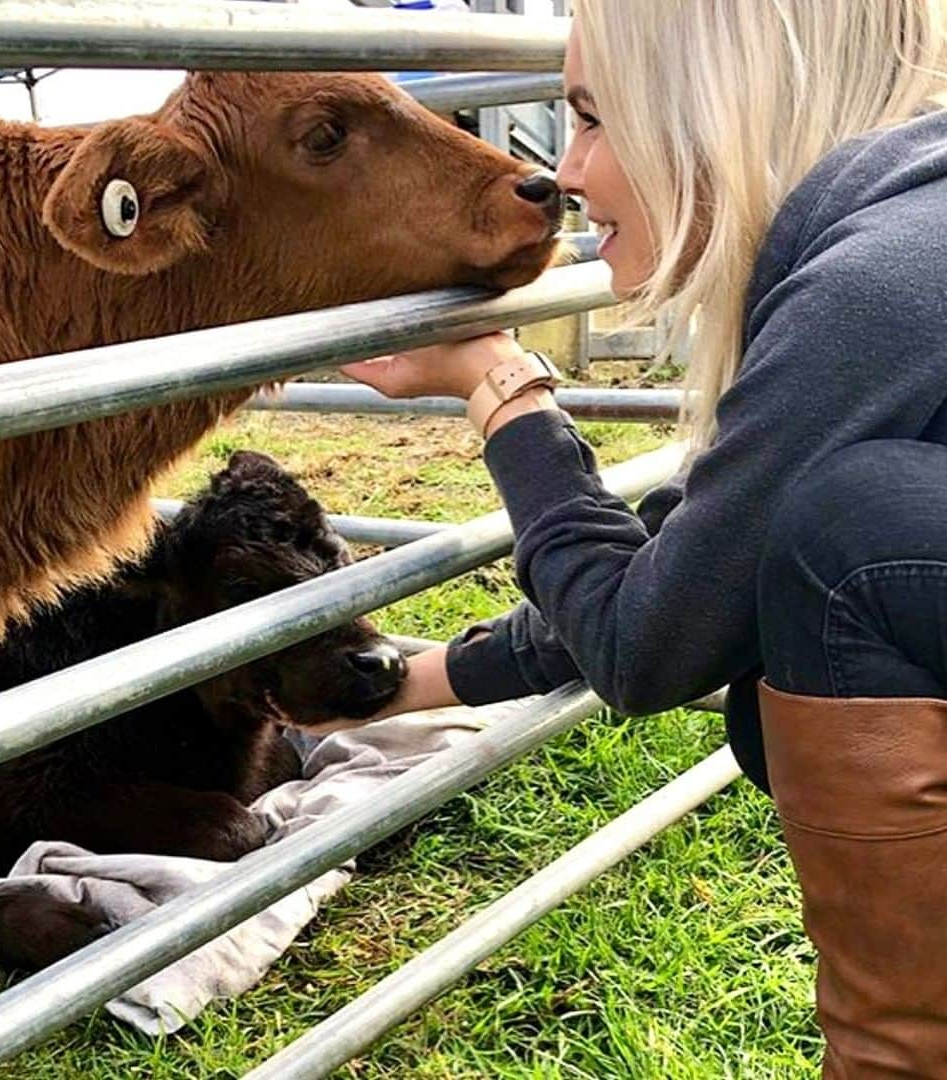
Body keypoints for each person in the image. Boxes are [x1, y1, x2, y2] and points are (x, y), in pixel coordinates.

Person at [342, 2, 947, 1074]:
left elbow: (649, 641)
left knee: (852, 535)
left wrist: (501, 389)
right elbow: (707, 558)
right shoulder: (907, 237)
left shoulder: (883, 284)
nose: (565, 171)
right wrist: (415, 679)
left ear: (709, 108)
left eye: (593, 118)